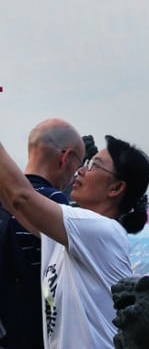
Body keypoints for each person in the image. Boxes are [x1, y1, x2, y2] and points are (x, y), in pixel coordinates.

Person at [0, 131, 149, 348]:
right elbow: (12, 201)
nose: (80, 170)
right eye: (86, 162)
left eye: (93, 165)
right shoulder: (70, 234)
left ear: (116, 188)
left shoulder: (102, 230)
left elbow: (21, 196)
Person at [0, 119, 85, 349]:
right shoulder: (56, 206)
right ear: (66, 158)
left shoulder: (3, 199)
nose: (76, 177)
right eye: (79, 166)